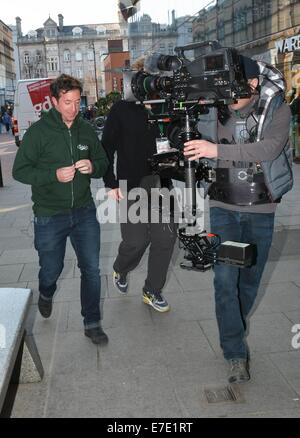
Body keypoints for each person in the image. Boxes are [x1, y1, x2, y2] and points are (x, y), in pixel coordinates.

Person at [183, 55, 293, 383]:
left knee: (249, 283)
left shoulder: (277, 109)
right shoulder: (211, 112)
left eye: (234, 83)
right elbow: (188, 142)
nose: (228, 92)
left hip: (261, 209)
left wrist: (215, 151)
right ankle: (234, 351)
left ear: (254, 83)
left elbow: (269, 149)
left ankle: (234, 326)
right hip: (224, 207)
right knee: (223, 280)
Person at [12, 74, 109, 345]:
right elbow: (20, 171)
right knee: (51, 269)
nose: (74, 108)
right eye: (67, 102)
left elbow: (102, 161)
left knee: (91, 268)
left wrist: (93, 167)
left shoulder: (85, 129)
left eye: (77, 102)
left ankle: (92, 322)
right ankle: (46, 292)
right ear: (54, 101)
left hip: (84, 210)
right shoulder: (38, 133)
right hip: (49, 214)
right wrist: (53, 175)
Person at [101, 59, 177, 313]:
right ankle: (121, 268)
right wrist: (110, 182)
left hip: (161, 183)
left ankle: (152, 290)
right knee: (135, 241)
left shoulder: (168, 106)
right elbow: (106, 147)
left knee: (165, 238)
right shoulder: (122, 109)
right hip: (131, 184)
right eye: (147, 77)